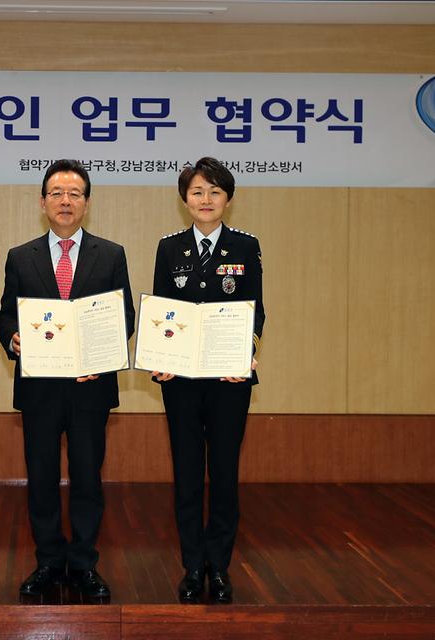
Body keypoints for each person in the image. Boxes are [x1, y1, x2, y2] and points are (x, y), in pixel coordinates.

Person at [0, 159, 135, 600]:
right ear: (42, 202)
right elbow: (6, 316)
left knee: (87, 479)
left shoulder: (110, 255)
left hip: (89, 388)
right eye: (56, 193)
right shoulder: (20, 257)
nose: (65, 201)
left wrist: (105, 352)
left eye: (74, 193)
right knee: (40, 479)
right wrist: (13, 338)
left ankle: (84, 564)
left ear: (87, 203)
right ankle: (49, 562)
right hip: (39, 388)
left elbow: (124, 317)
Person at [151, 157, 264, 604]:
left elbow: (256, 308)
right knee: (186, 474)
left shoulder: (246, 246)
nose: (205, 200)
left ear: (228, 199)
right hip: (179, 380)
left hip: (228, 379)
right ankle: (191, 565)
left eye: (215, 192)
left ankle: (218, 566)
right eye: (197, 192)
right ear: (185, 199)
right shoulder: (169, 247)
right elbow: (163, 311)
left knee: (223, 473)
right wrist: (160, 356)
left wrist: (247, 349)